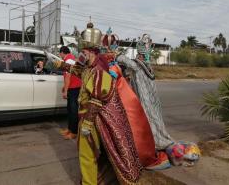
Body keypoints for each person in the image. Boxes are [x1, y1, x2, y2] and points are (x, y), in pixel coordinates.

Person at [53, 23, 161, 184]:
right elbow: (77, 70)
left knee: (87, 153)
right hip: (87, 116)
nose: (80, 56)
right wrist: (59, 63)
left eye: (82, 52)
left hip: (93, 119)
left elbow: (98, 99)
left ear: (90, 52)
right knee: (91, 153)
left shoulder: (99, 70)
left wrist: (87, 123)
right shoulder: (88, 67)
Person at [116, 34, 174, 150]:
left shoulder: (138, 66)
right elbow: (128, 71)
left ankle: (152, 142)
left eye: (138, 55)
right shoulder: (148, 67)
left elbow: (125, 61)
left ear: (141, 55)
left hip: (145, 102)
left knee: (147, 121)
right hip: (152, 102)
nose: (137, 56)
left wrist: (117, 54)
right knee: (155, 119)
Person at [58, 46, 81, 140]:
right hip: (73, 87)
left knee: (73, 111)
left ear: (62, 52)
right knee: (70, 109)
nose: (60, 56)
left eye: (60, 54)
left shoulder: (68, 61)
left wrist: (66, 91)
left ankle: (74, 132)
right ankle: (69, 129)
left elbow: (68, 77)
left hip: (74, 88)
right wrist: (65, 87)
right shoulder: (71, 59)